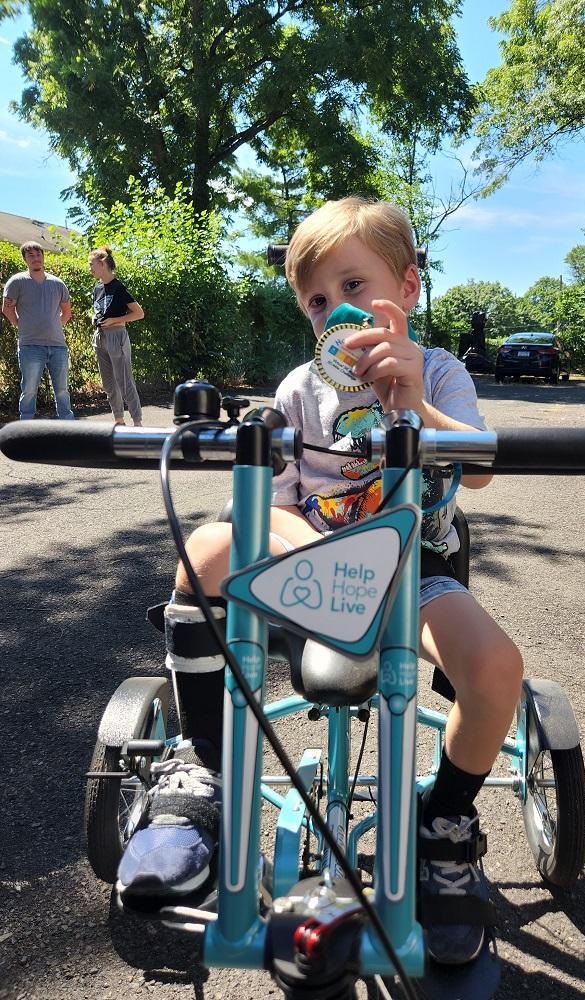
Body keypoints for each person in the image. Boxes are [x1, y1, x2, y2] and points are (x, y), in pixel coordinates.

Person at [117, 198, 524, 967]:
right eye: (314, 298)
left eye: (352, 284)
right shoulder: (300, 389)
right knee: (209, 541)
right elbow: (266, 512)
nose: (332, 307)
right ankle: (201, 766)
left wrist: (417, 404)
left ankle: (442, 823)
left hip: (413, 573)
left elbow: (486, 469)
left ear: (406, 287)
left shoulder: (439, 369)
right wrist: (314, 554)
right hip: (311, 569)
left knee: (499, 669)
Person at [1, 242, 75, 421]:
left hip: (58, 347)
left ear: (43, 257)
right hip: (30, 346)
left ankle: (69, 427)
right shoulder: (17, 282)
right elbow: (7, 308)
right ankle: (26, 429)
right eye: (31, 256)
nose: (36, 259)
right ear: (25, 259)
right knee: (29, 390)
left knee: (63, 390)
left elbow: (67, 312)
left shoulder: (57, 283)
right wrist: (19, 324)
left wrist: (55, 326)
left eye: (38, 255)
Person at [88, 247, 144, 426]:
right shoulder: (97, 288)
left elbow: (138, 313)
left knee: (125, 382)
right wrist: (94, 318)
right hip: (100, 337)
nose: (90, 268)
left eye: (92, 264)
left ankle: (138, 423)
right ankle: (119, 421)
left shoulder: (118, 287)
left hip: (116, 337)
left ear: (102, 264)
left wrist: (115, 320)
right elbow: (100, 310)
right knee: (109, 383)